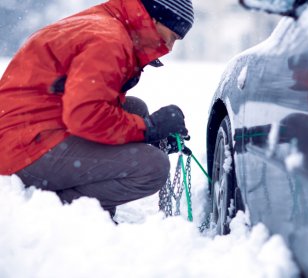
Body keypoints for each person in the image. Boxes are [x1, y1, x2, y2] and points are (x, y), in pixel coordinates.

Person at [0, 0, 194, 219]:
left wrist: (149, 133)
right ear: (157, 18)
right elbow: (84, 115)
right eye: (174, 37)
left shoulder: (107, 24)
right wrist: (147, 129)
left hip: (25, 129)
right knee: (153, 167)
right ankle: (63, 209)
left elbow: (92, 102)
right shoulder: (108, 40)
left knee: (135, 109)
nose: (169, 47)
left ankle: (68, 192)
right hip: (24, 149)